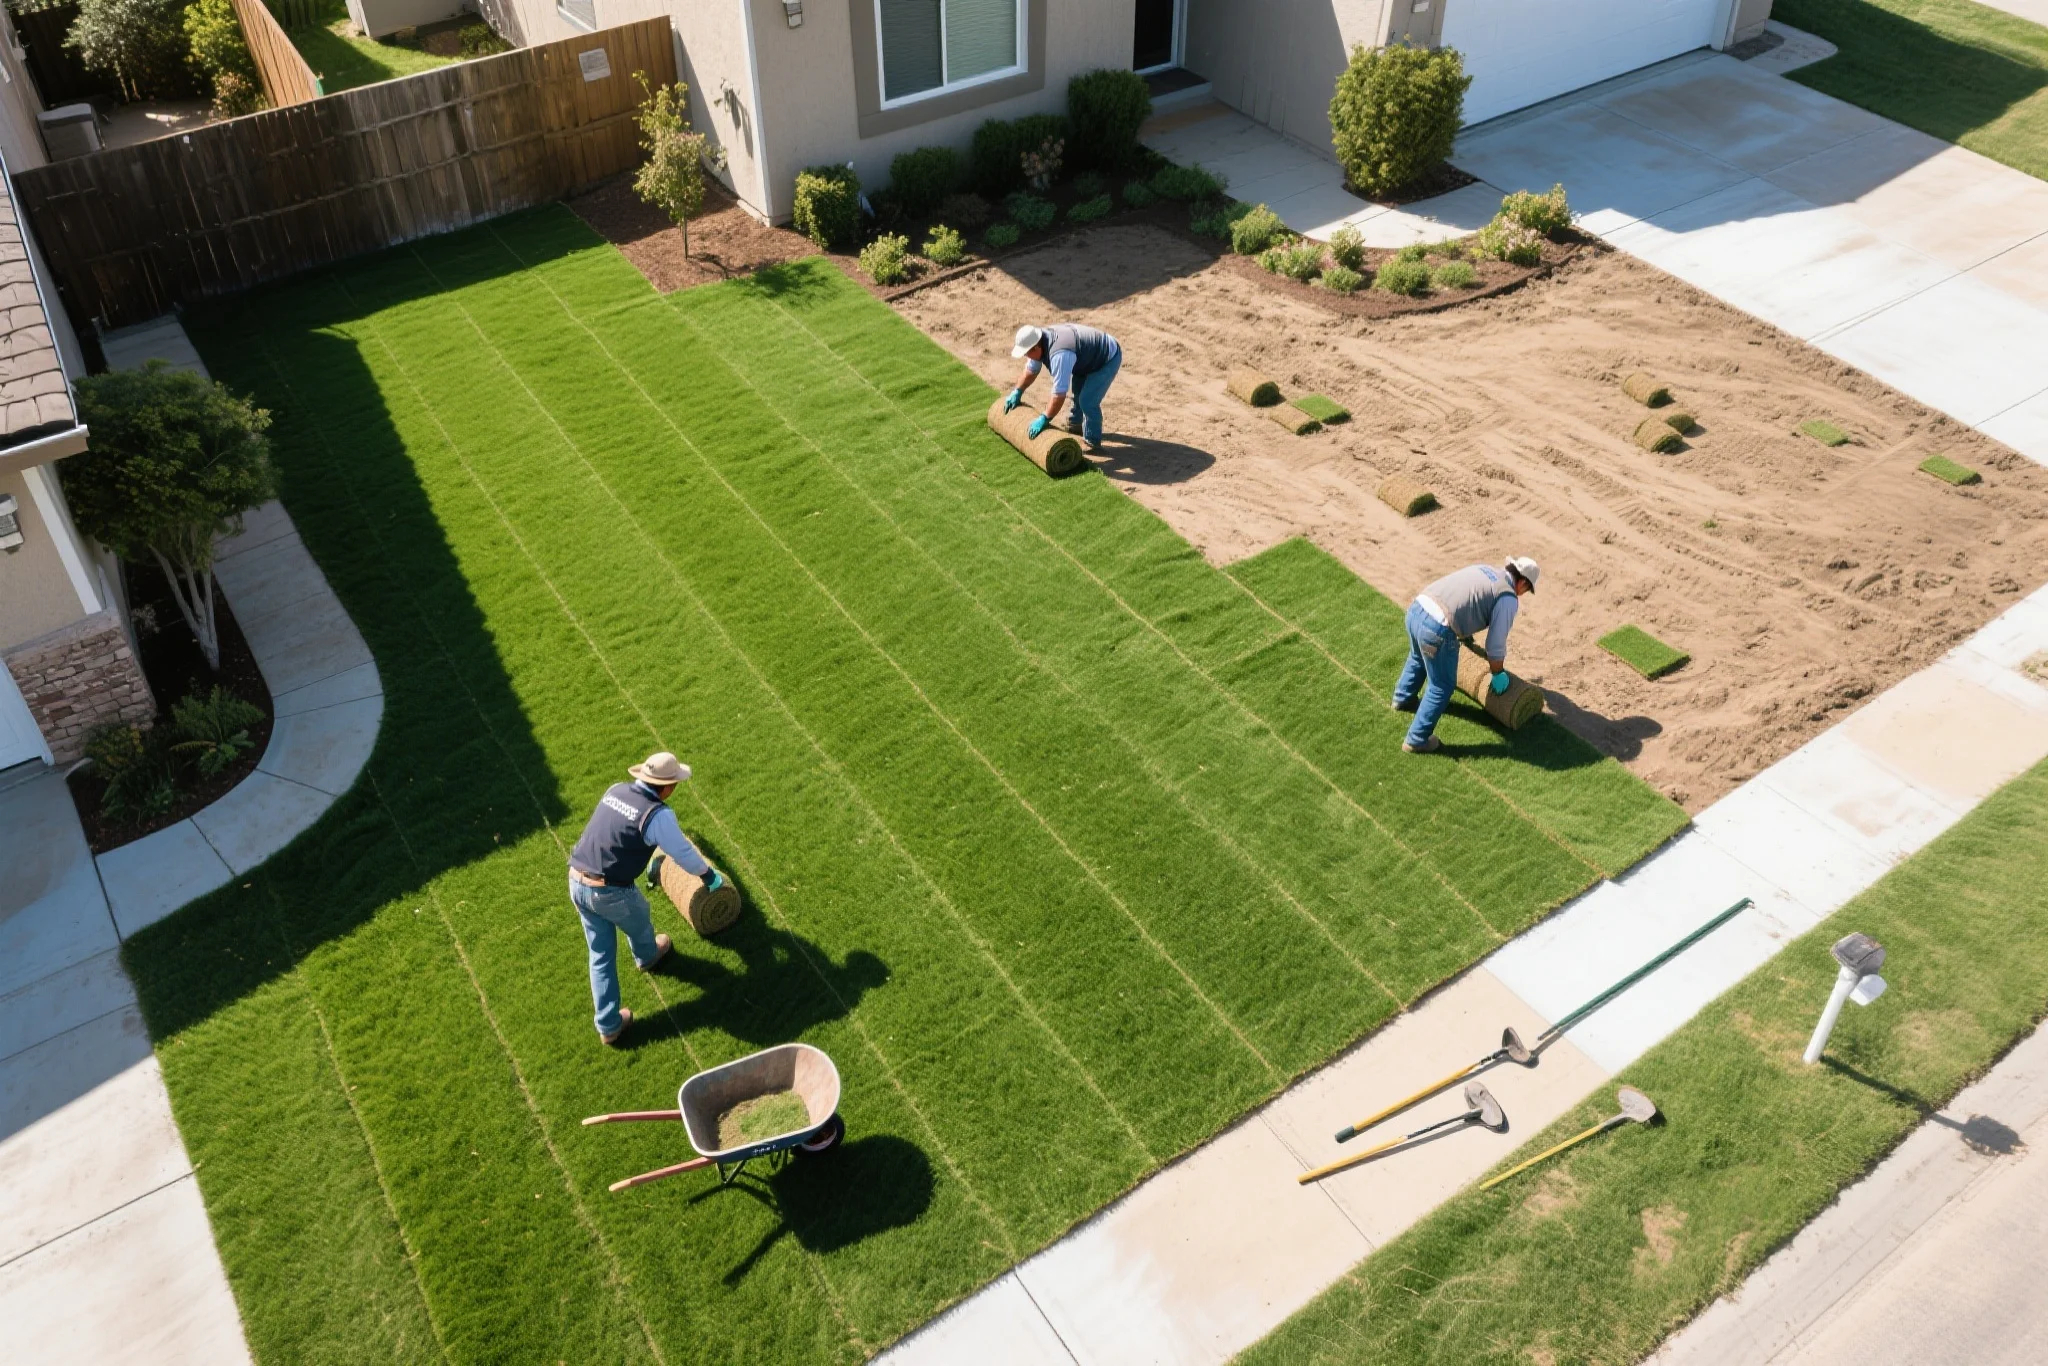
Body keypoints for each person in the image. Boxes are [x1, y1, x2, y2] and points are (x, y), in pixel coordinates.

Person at [567, 751, 724, 1045]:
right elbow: (682, 852)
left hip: (577, 879)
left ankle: (609, 1026)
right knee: (638, 917)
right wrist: (707, 876)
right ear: (666, 787)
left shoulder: (616, 789)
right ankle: (648, 955)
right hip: (610, 889)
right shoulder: (656, 814)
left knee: (600, 954)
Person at [1393, 556, 1540, 754]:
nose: (1523, 594)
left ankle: (1402, 699)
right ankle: (1417, 740)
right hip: (1436, 629)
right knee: (1441, 685)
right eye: (1526, 590)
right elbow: (1495, 645)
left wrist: (1466, 637)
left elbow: (1466, 600)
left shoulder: (1485, 570)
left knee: (1418, 657)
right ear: (1522, 582)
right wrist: (1497, 674)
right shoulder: (1508, 599)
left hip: (1416, 610)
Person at [1002, 322, 1123, 452]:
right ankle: (1076, 424)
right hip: (1085, 355)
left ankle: (1092, 441)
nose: (1026, 356)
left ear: (1036, 347)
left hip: (1106, 358)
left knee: (1087, 401)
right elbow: (1031, 371)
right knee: (1078, 391)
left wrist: (1045, 418)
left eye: (1026, 353)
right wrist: (1017, 391)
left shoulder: (1060, 355)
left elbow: (1059, 394)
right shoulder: (1039, 341)